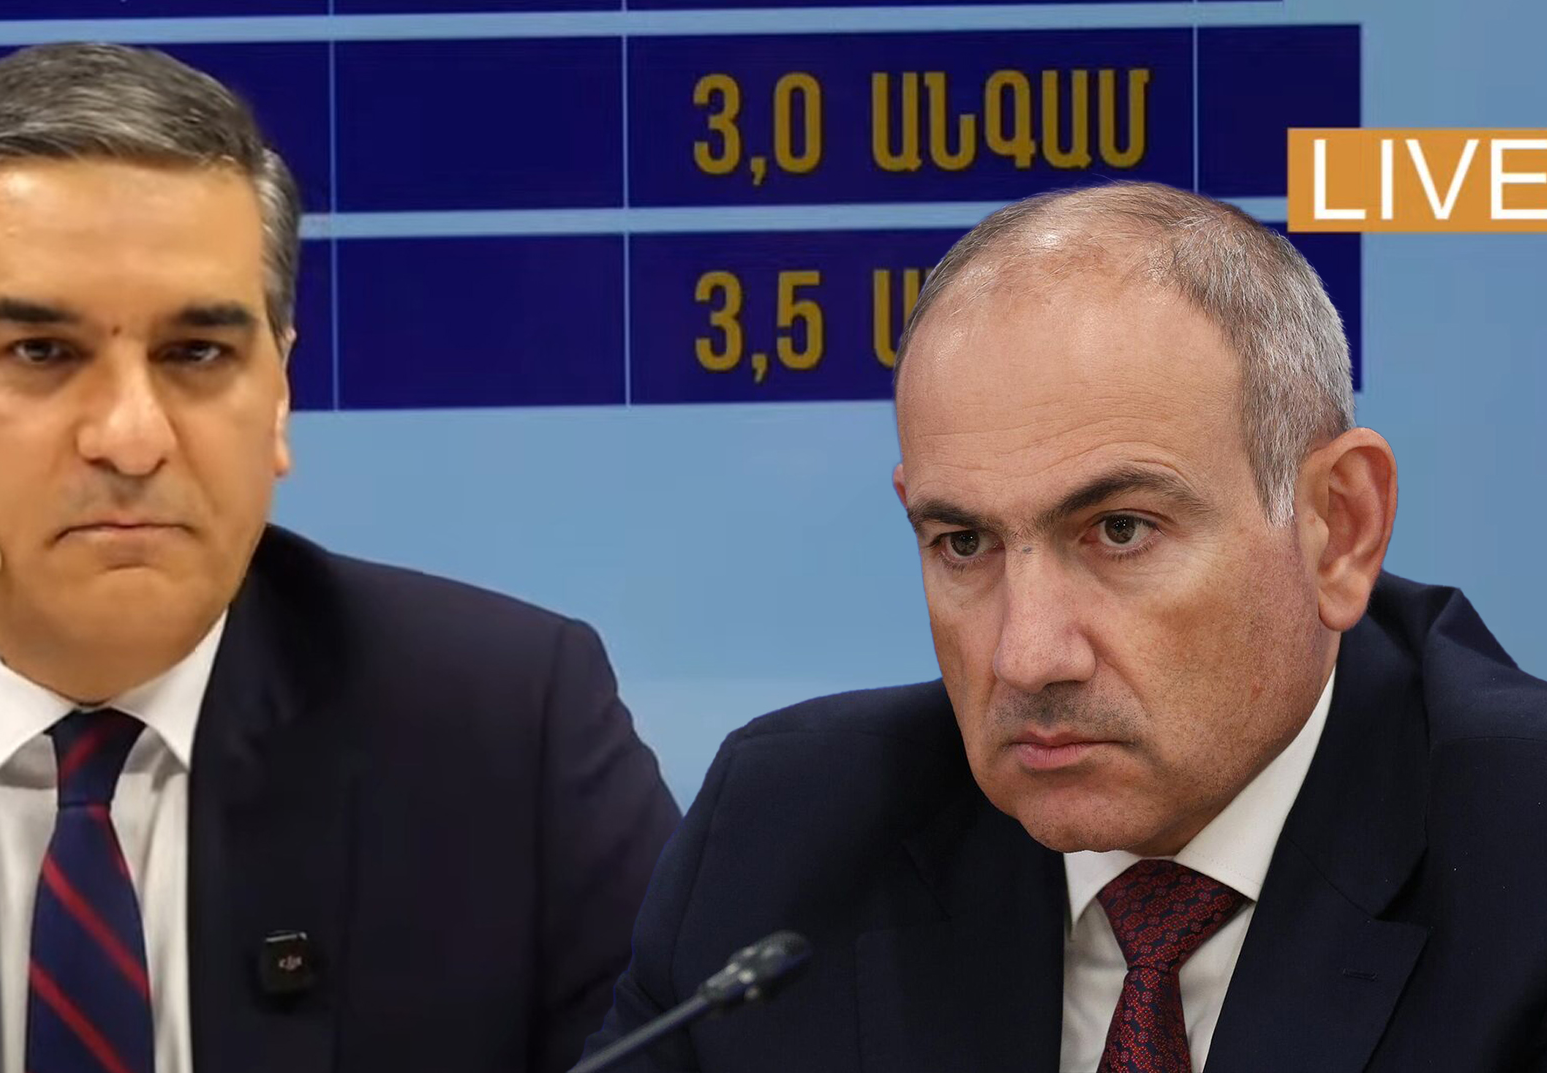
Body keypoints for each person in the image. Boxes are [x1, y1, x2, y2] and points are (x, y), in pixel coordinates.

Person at [0, 42, 680, 1073]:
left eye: (197, 354)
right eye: (43, 353)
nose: (132, 439)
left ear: (279, 394)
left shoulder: (506, 734)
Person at [583, 181, 1547, 1072]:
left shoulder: (1521, 854)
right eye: (964, 543)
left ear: (1339, 528)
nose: (1027, 656)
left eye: (1121, 531)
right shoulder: (784, 838)